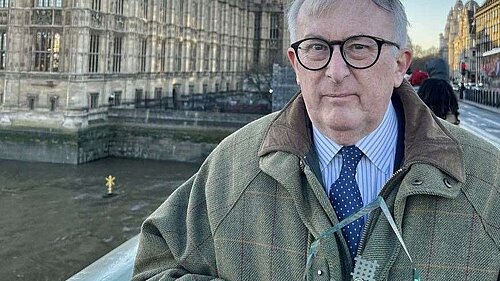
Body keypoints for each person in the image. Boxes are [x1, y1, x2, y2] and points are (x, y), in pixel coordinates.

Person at [133, 0, 500, 280]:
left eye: (360, 47)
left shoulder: (489, 180)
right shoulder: (230, 167)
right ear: (295, 64)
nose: (335, 72)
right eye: (316, 48)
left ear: (400, 65)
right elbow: (155, 266)